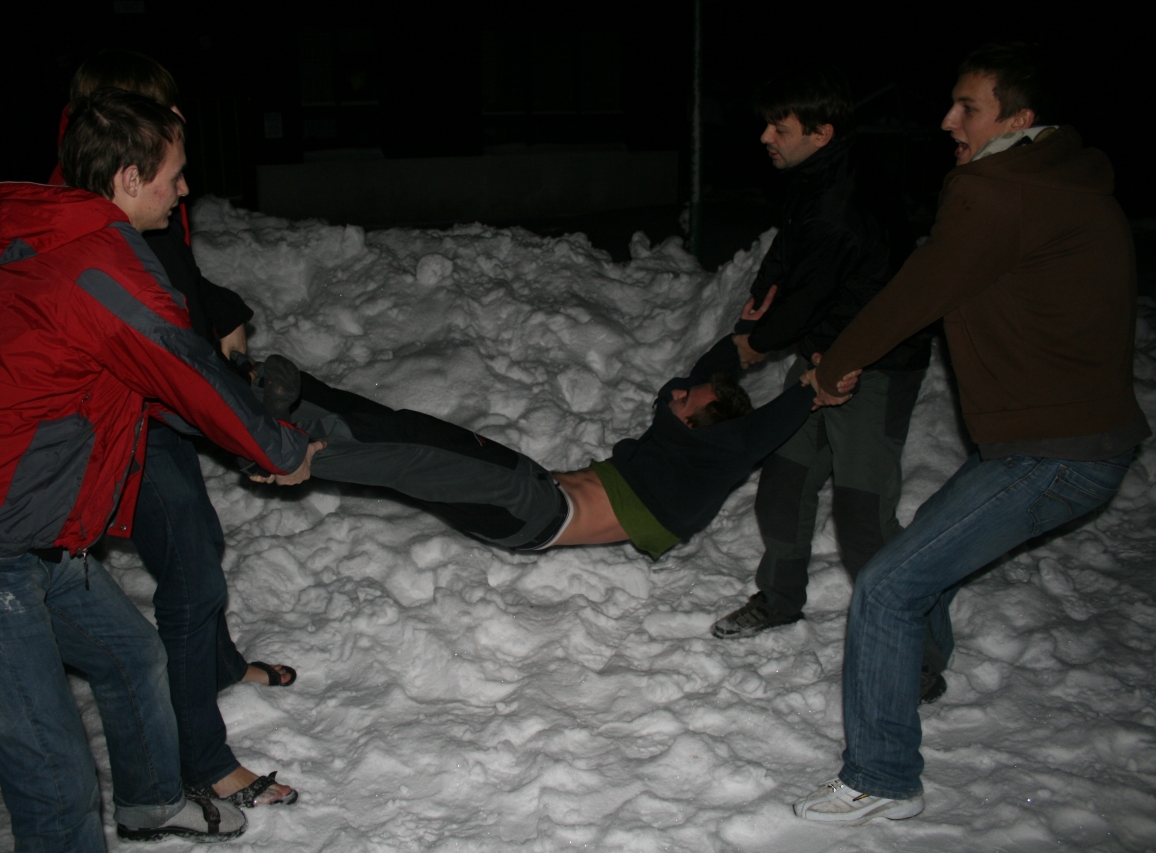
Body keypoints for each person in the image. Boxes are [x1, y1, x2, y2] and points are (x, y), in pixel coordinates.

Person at [0, 87, 320, 850]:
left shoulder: (71, 242)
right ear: (129, 179)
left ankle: (152, 803)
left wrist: (253, 438)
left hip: (36, 534)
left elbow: (148, 388)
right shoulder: (95, 264)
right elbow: (184, 368)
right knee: (56, 776)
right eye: (174, 175)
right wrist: (279, 449)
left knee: (131, 657)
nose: (184, 191)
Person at [791, 42, 1147, 825]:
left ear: (1018, 119)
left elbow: (917, 290)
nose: (948, 121)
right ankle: (913, 673)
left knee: (886, 586)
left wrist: (836, 365)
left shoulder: (996, 189)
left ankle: (881, 776)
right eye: (952, 102)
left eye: (969, 108)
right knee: (925, 547)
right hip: (1077, 440)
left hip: (1052, 452)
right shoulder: (1063, 176)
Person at [55, 49, 300, 810]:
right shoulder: (104, 222)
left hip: (150, 403)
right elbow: (163, 347)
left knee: (200, 545)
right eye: (163, 111)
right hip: (131, 415)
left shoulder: (139, 196)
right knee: (192, 571)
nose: (180, 122)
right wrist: (257, 438)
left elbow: (177, 278)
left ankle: (217, 663)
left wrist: (220, 310)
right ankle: (200, 759)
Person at [251, 331, 857, 558]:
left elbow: (755, 433)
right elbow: (702, 376)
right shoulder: (677, 436)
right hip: (528, 495)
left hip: (534, 510)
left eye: (685, 402)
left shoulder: (706, 463)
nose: (673, 395)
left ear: (705, 428)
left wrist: (810, 391)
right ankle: (288, 398)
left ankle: (299, 456)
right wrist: (744, 342)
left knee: (418, 456)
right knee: (406, 429)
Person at [710, 68, 935, 680]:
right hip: (822, 354)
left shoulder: (844, 202)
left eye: (779, 128)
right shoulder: (815, 175)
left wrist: (757, 342)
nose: (765, 137)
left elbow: (812, 295)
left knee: (863, 520)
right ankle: (780, 599)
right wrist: (762, 293)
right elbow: (790, 248)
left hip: (874, 365)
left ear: (822, 132)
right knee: (783, 485)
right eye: (767, 124)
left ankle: (919, 659)